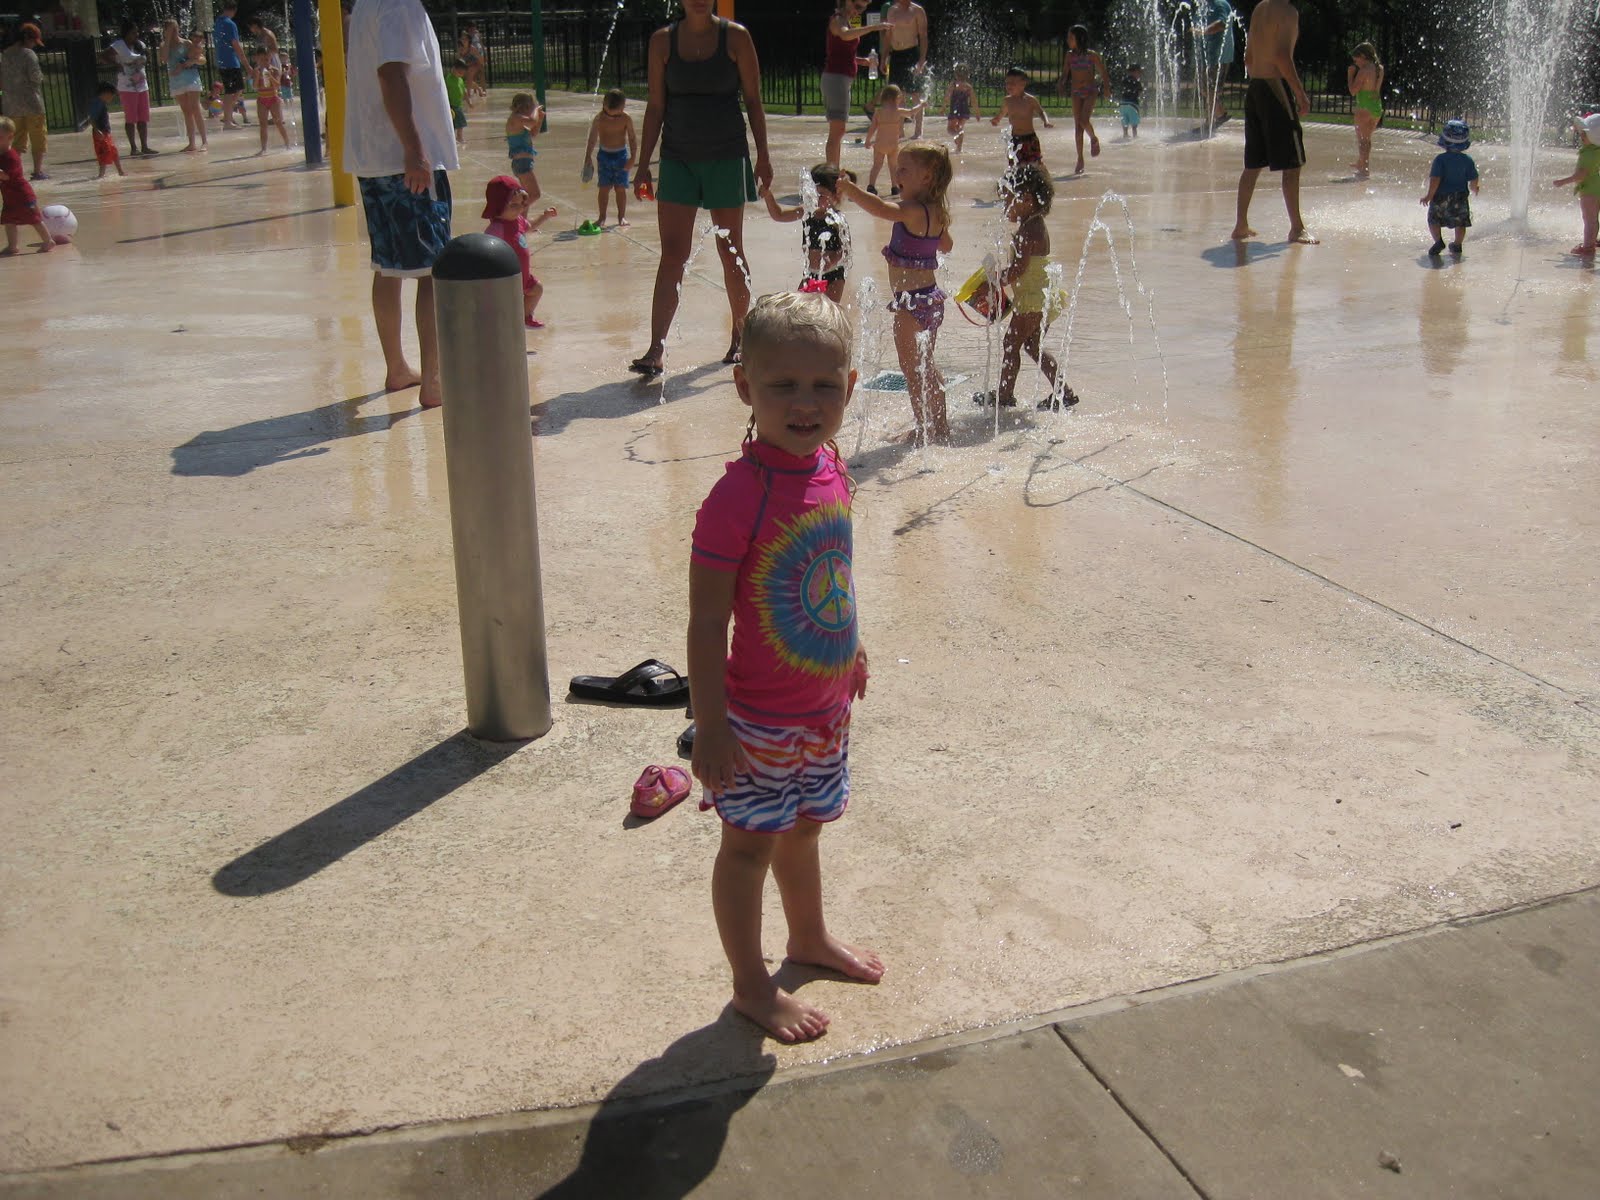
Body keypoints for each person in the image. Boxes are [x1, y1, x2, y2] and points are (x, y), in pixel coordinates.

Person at [688, 290, 881, 1045]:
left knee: (803, 833)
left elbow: (833, 569)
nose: (806, 403)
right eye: (783, 385)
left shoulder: (832, 468)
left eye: (824, 385)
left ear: (850, 387)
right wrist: (710, 726)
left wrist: (851, 645)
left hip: (824, 710)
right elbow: (708, 622)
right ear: (745, 387)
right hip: (757, 721)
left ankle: (808, 937)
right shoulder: (736, 497)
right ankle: (750, 985)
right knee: (747, 848)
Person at [628, 0, 771, 378]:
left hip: (727, 155)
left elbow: (753, 100)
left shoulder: (735, 38)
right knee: (673, 253)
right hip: (678, 158)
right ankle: (656, 348)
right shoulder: (662, 42)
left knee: (730, 249)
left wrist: (763, 156)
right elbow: (655, 106)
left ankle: (740, 336)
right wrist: (643, 165)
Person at [344, 0, 459, 409]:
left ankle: (397, 368)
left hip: (374, 158)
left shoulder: (367, 5)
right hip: (404, 159)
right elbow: (391, 73)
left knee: (388, 266)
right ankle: (434, 380)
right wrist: (415, 150)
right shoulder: (399, 4)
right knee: (433, 270)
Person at [838, 141, 952, 445]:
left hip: (910, 306)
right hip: (931, 300)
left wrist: (850, 190)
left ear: (926, 176)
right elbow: (947, 245)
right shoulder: (936, 212)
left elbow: (879, 209)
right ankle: (940, 425)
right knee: (926, 366)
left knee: (912, 371)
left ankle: (924, 429)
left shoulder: (911, 211)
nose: (896, 173)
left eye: (904, 169)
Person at [973, 164, 1076, 413]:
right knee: (1032, 346)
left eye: (1007, 200)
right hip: (1041, 296)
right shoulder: (1035, 224)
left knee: (1011, 343)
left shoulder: (1027, 232)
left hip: (1032, 300)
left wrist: (993, 282)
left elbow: (1018, 270)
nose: (1004, 207)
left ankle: (1005, 395)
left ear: (1026, 199)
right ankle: (1063, 392)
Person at [1230, 0, 1317, 245]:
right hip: (1274, 87)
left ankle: (1240, 224)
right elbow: (1281, 56)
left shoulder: (1261, 8)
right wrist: (1300, 94)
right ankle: (1297, 228)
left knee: (1253, 162)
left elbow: (1248, 58)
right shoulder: (1287, 12)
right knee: (1292, 162)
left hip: (1255, 87)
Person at [758, 162, 854, 303]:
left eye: (821, 194)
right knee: (800, 309)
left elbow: (846, 249)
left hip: (834, 275)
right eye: (813, 193)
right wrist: (768, 196)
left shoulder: (837, 219)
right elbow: (779, 215)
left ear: (835, 195)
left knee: (830, 311)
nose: (815, 198)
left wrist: (832, 260)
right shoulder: (806, 213)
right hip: (810, 275)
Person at [482, 175, 558, 329]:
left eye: (521, 204)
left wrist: (544, 217)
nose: (519, 209)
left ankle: (525, 316)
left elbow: (530, 227)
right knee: (506, 307)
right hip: (507, 280)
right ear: (498, 206)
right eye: (513, 205)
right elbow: (485, 252)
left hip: (523, 276)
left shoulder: (518, 220)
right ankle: (504, 326)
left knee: (537, 289)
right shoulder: (496, 229)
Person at [821, 0, 888, 169]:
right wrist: (873, 27)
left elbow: (840, 52)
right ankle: (831, 173)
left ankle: (833, 171)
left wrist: (861, 61)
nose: (858, 11)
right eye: (857, 6)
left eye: (862, 8)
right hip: (836, 79)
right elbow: (844, 35)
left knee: (838, 131)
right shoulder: (838, 20)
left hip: (840, 79)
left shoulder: (845, 20)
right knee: (837, 131)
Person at [1419, 119, 1478, 258]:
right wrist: (1474, 187)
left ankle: (1438, 241)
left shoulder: (1440, 160)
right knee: (1460, 222)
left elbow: (1435, 179)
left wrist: (1429, 196)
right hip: (1460, 196)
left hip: (1441, 195)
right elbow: (1474, 178)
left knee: (1434, 219)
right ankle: (1457, 244)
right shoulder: (1467, 160)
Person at [1057, 25, 1110, 175]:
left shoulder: (1091, 55)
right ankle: (1080, 159)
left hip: (1090, 91)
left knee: (1083, 120)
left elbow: (1103, 72)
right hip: (1076, 93)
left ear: (1079, 39)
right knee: (1078, 127)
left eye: (1071, 38)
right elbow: (1065, 73)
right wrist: (1061, 83)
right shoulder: (1069, 56)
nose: (1068, 40)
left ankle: (1093, 138)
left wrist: (1106, 88)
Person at [583, 88, 637, 227]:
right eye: (608, 113)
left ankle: (621, 216)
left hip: (621, 156)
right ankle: (602, 217)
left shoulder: (626, 118)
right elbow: (592, 138)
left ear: (623, 107)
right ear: (604, 106)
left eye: (617, 114)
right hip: (604, 156)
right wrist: (588, 156)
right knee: (604, 187)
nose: (612, 117)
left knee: (620, 188)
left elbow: (632, 138)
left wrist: (633, 158)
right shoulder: (599, 118)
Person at [1, 23, 48, 179]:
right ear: (28, 39)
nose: (34, 45)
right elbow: (35, 77)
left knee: (15, 139)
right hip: (32, 103)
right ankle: (37, 171)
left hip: (11, 105)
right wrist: (41, 77)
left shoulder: (5, 54)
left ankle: (13, 171)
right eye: (34, 41)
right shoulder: (29, 54)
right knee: (38, 138)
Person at [0, 116, 52, 254]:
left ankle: (48, 240)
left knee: (34, 219)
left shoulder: (11, 156)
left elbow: (6, 176)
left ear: (10, 137)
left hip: (22, 195)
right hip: (10, 197)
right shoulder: (1, 155)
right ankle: (13, 246)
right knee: (9, 221)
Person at [1552, 113, 1600, 259]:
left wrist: (1563, 181)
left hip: (1589, 190)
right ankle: (1592, 241)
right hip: (1596, 188)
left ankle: (1588, 247)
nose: (1581, 135)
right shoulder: (1595, 150)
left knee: (1589, 219)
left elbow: (1581, 175)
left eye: (1585, 134)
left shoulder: (1588, 154)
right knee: (1594, 218)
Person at [103, 21, 155, 157]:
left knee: (143, 117)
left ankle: (145, 146)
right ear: (126, 33)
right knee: (131, 118)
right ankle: (133, 147)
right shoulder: (119, 45)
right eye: (133, 32)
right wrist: (117, 64)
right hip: (127, 87)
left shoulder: (140, 45)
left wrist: (144, 59)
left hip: (142, 85)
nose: (136, 35)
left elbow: (148, 56)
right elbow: (104, 55)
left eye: (137, 32)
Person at [881, 0, 929, 138]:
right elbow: (888, 36)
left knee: (915, 93)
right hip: (896, 54)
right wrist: (884, 58)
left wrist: (922, 59)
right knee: (897, 94)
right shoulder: (892, 10)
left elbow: (923, 36)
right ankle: (899, 131)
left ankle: (918, 131)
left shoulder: (917, 10)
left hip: (911, 53)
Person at [991, 66, 1051, 175]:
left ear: (1023, 84)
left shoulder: (1030, 100)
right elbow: (1002, 113)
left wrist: (1046, 121)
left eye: (1013, 83)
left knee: (1036, 163)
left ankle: (1045, 179)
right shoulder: (1007, 100)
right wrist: (997, 120)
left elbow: (1041, 112)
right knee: (1015, 166)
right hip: (1015, 139)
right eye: (1007, 83)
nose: (1009, 85)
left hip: (1030, 138)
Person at [864, 84, 921, 195]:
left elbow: (872, 128)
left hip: (880, 144)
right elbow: (911, 112)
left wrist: (868, 140)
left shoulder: (879, 112)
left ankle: (871, 186)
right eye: (899, 98)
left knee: (876, 166)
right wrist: (921, 105)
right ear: (896, 98)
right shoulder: (898, 111)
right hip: (893, 145)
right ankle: (894, 187)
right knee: (893, 166)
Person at [162, 21, 208, 154]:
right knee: (186, 111)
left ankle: (204, 141)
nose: (174, 33)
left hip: (191, 78)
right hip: (176, 81)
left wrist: (191, 61)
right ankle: (191, 143)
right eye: (170, 30)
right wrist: (167, 39)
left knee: (195, 108)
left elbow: (202, 59)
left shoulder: (186, 43)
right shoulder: (164, 45)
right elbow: (164, 58)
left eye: (175, 29)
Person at [1347, 43, 1383, 177]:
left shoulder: (1363, 71)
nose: (1356, 64)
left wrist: (1350, 75)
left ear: (1363, 56)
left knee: (1362, 140)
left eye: (1356, 60)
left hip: (1364, 106)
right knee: (1367, 138)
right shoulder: (1379, 68)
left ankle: (1364, 168)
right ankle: (1362, 163)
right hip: (1376, 107)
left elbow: (1353, 91)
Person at [1199, 0, 1236, 130]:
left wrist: (1203, 31)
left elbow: (1221, 24)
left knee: (1211, 89)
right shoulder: (1207, 5)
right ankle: (1221, 114)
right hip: (1210, 55)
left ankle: (1209, 123)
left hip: (1220, 56)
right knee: (1205, 88)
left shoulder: (1220, 4)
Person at [504, 92, 545, 203]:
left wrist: (540, 119)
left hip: (524, 162)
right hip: (521, 162)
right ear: (526, 107)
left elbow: (533, 133)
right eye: (531, 108)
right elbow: (532, 120)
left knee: (527, 195)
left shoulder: (520, 121)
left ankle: (521, 213)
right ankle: (516, 212)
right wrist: (535, 109)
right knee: (534, 194)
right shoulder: (516, 118)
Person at [213, 3, 249, 128]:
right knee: (231, 91)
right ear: (234, 10)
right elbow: (236, 45)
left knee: (236, 89)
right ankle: (227, 120)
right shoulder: (230, 24)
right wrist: (247, 65)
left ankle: (228, 115)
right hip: (231, 61)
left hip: (222, 61)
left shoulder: (217, 22)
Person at [252, 47, 291, 153]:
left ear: (270, 58)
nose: (264, 62)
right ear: (257, 59)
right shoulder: (256, 71)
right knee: (263, 124)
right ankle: (263, 148)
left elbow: (277, 86)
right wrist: (257, 77)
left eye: (266, 60)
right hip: (262, 100)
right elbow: (255, 87)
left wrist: (270, 76)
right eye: (261, 60)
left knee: (278, 122)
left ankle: (287, 143)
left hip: (273, 99)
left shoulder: (275, 70)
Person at [88, 81, 126, 178]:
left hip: (105, 132)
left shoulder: (101, 102)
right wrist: (97, 130)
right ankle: (101, 174)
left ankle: (120, 171)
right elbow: (91, 119)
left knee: (113, 151)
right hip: (100, 133)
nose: (112, 98)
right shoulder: (97, 103)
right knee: (104, 152)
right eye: (111, 96)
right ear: (106, 93)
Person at [944, 62, 979, 154]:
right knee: (959, 126)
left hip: (954, 110)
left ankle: (958, 135)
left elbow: (947, 96)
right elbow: (973, 100)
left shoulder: (953, 85)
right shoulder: (968, 87)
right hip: (964, 110)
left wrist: (943, 107)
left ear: (955, 74)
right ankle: (959, 146)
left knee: (950, 129)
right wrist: (977, 113)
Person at [445, 58, 468, 149]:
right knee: (453, 123)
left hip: (458, 105)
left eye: (462, 73)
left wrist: (468, 101)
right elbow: (445, 91)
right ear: (454, 69)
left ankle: (459, 137)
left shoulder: (460, 80)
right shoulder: (449, 79)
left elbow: (464, 90)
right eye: (459, 72)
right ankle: (453, 138)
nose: (461, 74)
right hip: (451, 105)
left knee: (461, 123)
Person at [1119, 64, 1144, 139]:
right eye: (1139, 72)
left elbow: (1120, 90)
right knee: (1134, 122)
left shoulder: (1124, 80)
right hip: (1133, 105)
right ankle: (1135, 135)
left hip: (1123, 104)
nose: (1140, 74)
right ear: (1135, 72)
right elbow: (1140, 92)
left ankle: (1125, 134)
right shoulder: (1137, 82)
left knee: (1124, 120)